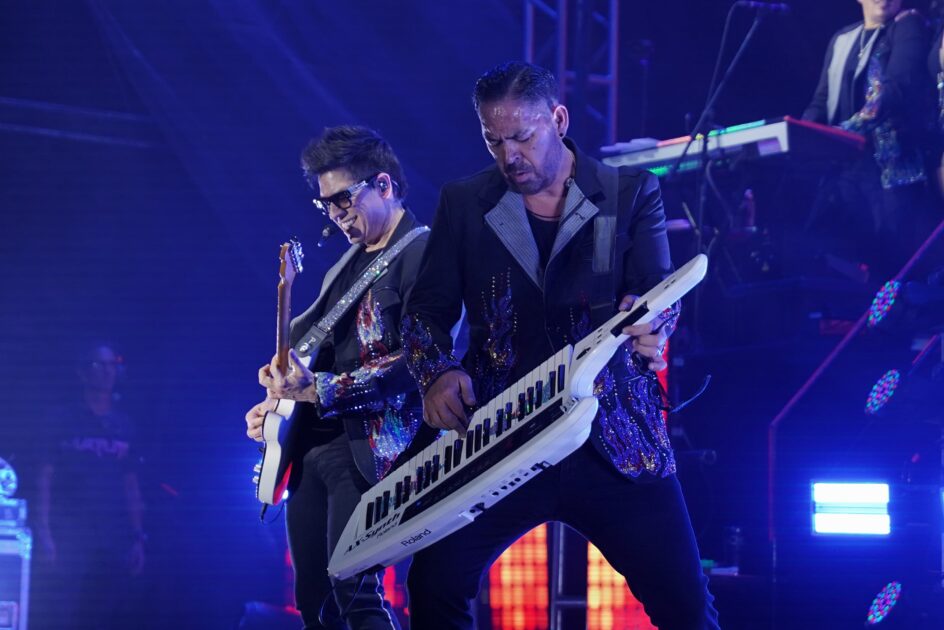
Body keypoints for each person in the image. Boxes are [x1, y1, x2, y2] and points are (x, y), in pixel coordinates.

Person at [400, 61, 719, 629]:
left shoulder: (629, 193)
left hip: (613, 433)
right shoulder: (464, 202)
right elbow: (425, 311)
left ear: (559, 119)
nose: (509, 155)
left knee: (687, 607)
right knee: (434, 585)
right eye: (494, 140)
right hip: (499, 434)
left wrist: (653, 323)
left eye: (522, 136)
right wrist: (437, 372)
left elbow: (659, 293)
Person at [245, 125, 431, 629]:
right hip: (310, 447)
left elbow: (419, 361)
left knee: (355, 591)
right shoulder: (343, 267)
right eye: (326, 205)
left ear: (384, 185)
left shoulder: (423, 254)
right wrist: (273, 397)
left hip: (370, 449)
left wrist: (318, 388)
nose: (336, 215)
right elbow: (303, 351)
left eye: (344, 200)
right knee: (313, 599)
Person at [802, 0, 935, 277]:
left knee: (892, 262)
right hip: (843, 168)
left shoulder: (907, 26)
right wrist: (800, 135)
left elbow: (896, 89)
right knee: (825, 250)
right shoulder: (842, 39)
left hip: (889, 170)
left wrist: (841, 133)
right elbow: (820, 101)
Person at [35, 341, 146, 629]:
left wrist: (137, 537)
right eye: (99, 365)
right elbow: (44, 477)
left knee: (105, 613)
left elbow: (131, 484)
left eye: (112, 365)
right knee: (64, 612)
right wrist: (44, 532)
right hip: (70, 533)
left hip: (113, 536)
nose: (107, 372)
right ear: (83, 372)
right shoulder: (61, 420)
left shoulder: (125, 424)